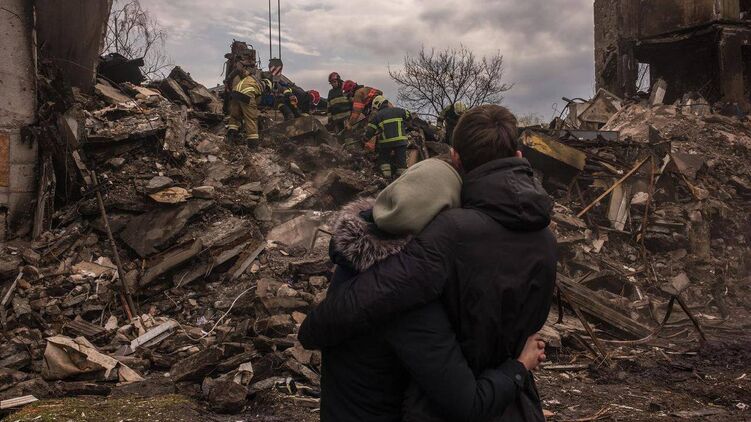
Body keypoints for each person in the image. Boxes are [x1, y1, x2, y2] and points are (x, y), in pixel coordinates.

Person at [300, 105, 557, 421]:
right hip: (511, 403)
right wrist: (518, 368)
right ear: (519, 156)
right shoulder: (544, 237)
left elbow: (331, 321)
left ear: (456, 157)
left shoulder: (427, 249)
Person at [364, 96, 410, 179]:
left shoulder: (377, 116)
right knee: (401, 161)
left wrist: (365, 139)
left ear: (378, 105)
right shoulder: (399, 110)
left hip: (386, 143)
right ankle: (402, 179)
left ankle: (386, 177)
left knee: (384, 159)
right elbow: (408, 115)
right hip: (401, 141)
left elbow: (370, 130)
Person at [226, 68, 261, 145]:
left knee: (234, 116)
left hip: (235, 93)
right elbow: (256, 102)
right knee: (251, 118)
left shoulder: (249, 79)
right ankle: (253, 144)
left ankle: (230, 138)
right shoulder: (260, 86)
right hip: (246, 94)